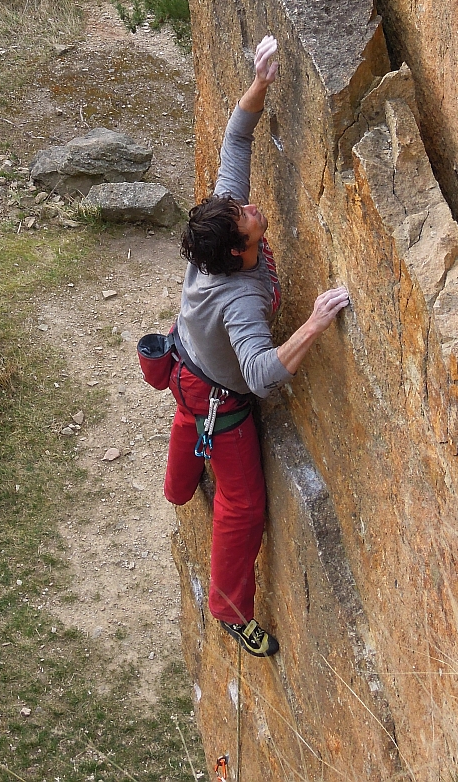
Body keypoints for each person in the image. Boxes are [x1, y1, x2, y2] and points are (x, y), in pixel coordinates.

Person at [165, 34, 351, 658]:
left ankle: (177, 486)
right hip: (217, 391)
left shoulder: (219, 229)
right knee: (242, 505)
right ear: (239, 255)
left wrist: (262, 78)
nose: (248, 207)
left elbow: (236, 139)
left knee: (188, 417)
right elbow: (264, 376)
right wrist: (316, 322)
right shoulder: (242, 299)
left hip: (188, 366)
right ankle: (229, 608)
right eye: (246, 219)